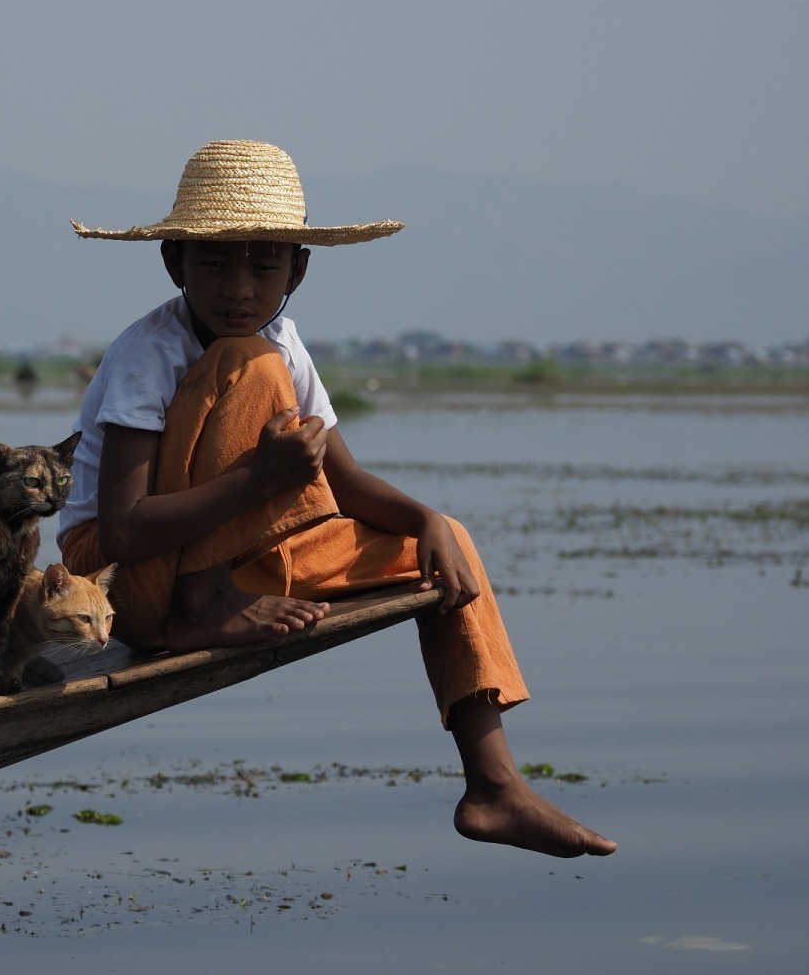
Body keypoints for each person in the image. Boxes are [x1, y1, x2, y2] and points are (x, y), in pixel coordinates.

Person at [57, 139, 616, 858]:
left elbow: (344, 485)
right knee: (244, 360)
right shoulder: (151, 351)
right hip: (116, 580)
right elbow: (125, 530)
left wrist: (426, 518)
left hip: (226, 557)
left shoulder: (285, 342)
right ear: (174, 262)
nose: (240, 287)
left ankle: (493, 785)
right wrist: (257, 480)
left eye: (265, 263)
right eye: (216, 262)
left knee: (442, 543)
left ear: (299, 266)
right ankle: (202, 603)